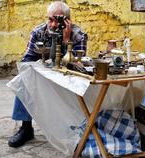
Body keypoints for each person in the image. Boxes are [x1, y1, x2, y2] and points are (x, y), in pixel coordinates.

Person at [8, 1, 88, 148]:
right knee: (24, 78)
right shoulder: (38, 32)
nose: (52, 24)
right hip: (44, 75)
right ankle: (26, 128)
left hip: (66, 78)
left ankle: (76, 129)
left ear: (67, 20)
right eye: (50, 19)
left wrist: (66, 40)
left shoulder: (78, 35)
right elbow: (26, 61)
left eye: (57, 20)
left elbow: (78, 65)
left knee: (82, 86)